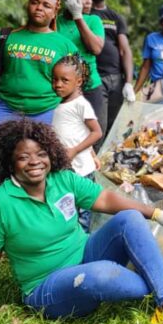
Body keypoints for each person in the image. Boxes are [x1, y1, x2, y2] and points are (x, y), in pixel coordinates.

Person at [0, 120, 163, 324]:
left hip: (86, 254)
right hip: (48, 287)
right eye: (24, 157)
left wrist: (155, 213)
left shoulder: (62, 179)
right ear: (9, 162)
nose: (35, 161)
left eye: (41, 153)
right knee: (100, 274)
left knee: (130, 218)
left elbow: (107, 200)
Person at [0, 0, 77, 132]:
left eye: (46, 5)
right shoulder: (5, 36)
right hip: (5, 110)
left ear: (55, 13)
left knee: (39, 154)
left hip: (48, 112)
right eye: (35, 2)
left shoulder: (66, 45)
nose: (39, 8)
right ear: (28, 5)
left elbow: (79, 79)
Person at [52, 55, 103, 232]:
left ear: (78, 81)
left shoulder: (80, 104)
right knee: (68, 207)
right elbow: (80, 133)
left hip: (81, 170)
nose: (58, 84)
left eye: (64, 80)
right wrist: (92, 153)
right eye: (55, 79)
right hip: (68, 169)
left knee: (83, 213)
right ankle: (70, 242)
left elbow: (96, 132)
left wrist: (75, 150)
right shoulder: (60, 104)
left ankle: (83, 248)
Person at [57, 0, 106, 134]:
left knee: (96, 134)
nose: (89, 2)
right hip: (62, 89)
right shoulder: (55, 22)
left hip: (90, 87)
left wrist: (78, 17)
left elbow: (96, 48)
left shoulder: (93, 20)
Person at [88, 0, 135, 135]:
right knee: (96, 125)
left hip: (116, 79)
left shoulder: (115, 17)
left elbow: (124, 49)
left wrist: (128, 83)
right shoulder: (83, 15)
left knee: (115, 126)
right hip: (94, 78)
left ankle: (109, 159)